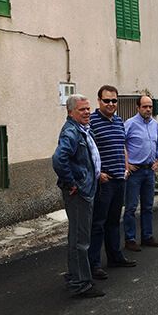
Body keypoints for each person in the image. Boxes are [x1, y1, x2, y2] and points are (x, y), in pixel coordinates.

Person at [52, 94, 104, 298]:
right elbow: (59, 159)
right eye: (82, 109)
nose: (87, 112)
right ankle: (81, 283)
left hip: (85, 188)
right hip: (79, 192)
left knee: (77, 236)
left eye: (88, 108)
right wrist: (72, 182)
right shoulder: (71, 132)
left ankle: (76, 276)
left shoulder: (81, 130)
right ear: (71, 111)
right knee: (80, 239)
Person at [87, 85, 138, 281]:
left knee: (114, 221)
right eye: (106, 100)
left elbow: (123, 146)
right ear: (99, 101)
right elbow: (88, 152)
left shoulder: (118, 121)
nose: (110, 104)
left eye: (114, 101)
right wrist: (98, 174)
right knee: (98, 224)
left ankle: (115, 257)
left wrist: (125, 168)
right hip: (104, 182)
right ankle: (94, 264)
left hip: (119, 179)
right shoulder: (91, 122)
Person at [123, 95, 158, 252]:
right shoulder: (130, 124)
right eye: (145, 106)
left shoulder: (155, 124)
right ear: (138, 108)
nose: (148, 109)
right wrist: (126, 164)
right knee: (131, 207)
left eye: (150, 107)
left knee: (148, 206)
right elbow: (120, 144)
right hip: (135, 172)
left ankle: (147, 236)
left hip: (149, 171)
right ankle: (130, 239)